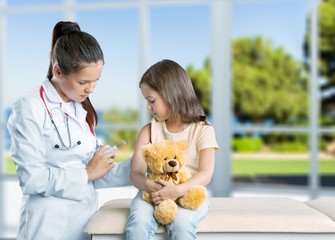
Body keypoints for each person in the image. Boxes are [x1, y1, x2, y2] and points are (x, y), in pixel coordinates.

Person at [7, 21, 131, 240]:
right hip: (47, 226)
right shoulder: (30, 107)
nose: (91, 89)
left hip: (84, 222)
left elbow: (95, 175)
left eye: (96, 81)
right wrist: (86, 173)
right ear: (58, 71)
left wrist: (141, 167)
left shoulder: (80, 107)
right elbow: (32, 179)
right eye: (83, 81)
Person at [125, 59, 219, 240]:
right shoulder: (149, 130)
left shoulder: (203, 130)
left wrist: (178, 190)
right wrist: (151, 187)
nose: (148, 106)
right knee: (138, 224)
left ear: (171, 95)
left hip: (189, 193)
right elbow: (136, 173)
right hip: (152, 193)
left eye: (151, 100)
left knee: (182, 226)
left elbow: (206, 174)